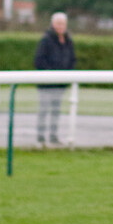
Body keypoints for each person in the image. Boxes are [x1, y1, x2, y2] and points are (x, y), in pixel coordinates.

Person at [34, 11, 75, 146]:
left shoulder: (68, 41)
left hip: (60, 84)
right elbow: (39, 60)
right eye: (58, 23)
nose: (61, 26)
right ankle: (40, 136)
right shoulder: (46, 39)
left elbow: (72, 59)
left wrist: (67, 75)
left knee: (56, 111)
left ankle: (53, 135)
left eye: (63, 23)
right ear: (53, 24)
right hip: (47, 83)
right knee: (44, 109)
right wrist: (50, 74)